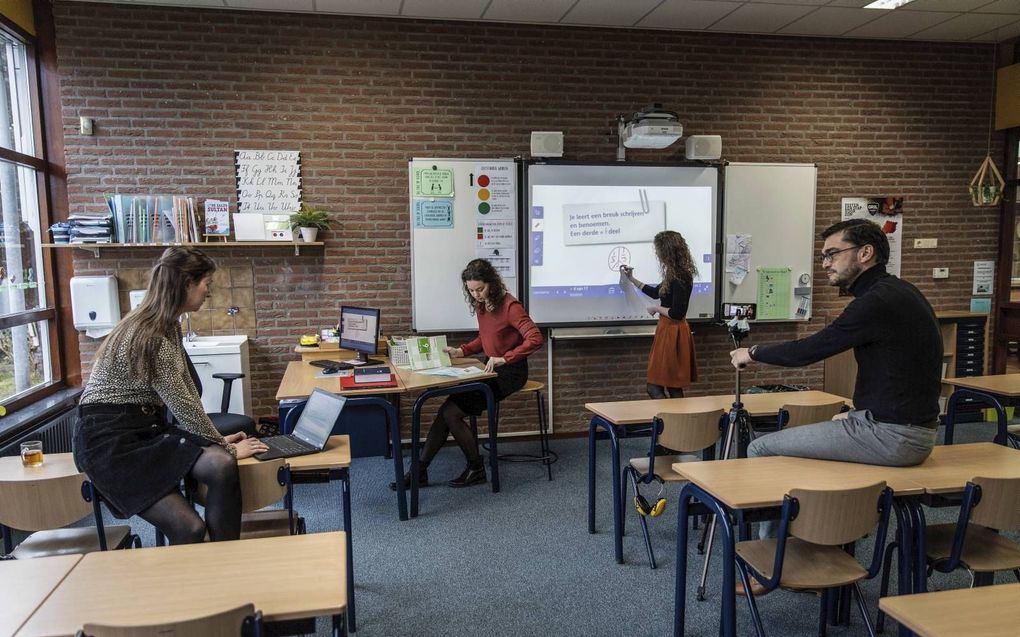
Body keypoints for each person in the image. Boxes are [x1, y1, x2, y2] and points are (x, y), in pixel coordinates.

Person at [73, 247, 268, 545]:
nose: (209, 292)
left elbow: (189, 391)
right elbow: (185, 408)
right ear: (186, 284)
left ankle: (226, 563)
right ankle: (191, 586)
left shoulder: (168, 325)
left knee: (220, 466)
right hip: (109, 441)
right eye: (206, 284)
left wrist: (212, 441)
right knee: (189, 529)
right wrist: (225, 447)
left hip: (144, 430)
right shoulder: (151, 337)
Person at [729, 218, 942, 466]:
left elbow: (808, 351)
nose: (826, 264)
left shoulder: (875, 302)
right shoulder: (900, 291)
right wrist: (859, 416)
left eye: (832, 254)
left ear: (865, 253)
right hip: (907, 428)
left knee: (760, 447)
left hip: (894, 436)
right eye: (823, 257)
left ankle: (795, 504)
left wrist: (752, 353)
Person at [392, 258, 543, 490]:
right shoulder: (483, 306)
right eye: (471, 290)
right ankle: (421, 471)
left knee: (450, 412)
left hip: (509, 373)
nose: (476, 295)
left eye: (480, 289)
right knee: (448, 410)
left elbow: (535, 338)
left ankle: (473, 468)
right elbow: (486, 337)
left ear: (492, 283)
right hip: (490, 370)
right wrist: (461, 350)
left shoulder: (511, 307)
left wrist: (506, 357)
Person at [620, 230, 698, 399]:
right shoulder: (674, 273)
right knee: (671, 386)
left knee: (660, 386)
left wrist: (656, 309)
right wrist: (631, 279)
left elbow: (677, 313)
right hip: (668, 331)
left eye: (658, 250)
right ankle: (675, 423)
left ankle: (671, 424)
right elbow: (656, 292)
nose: (656, 253)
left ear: (666, 251)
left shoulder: (680, 277)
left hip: (673, 332)